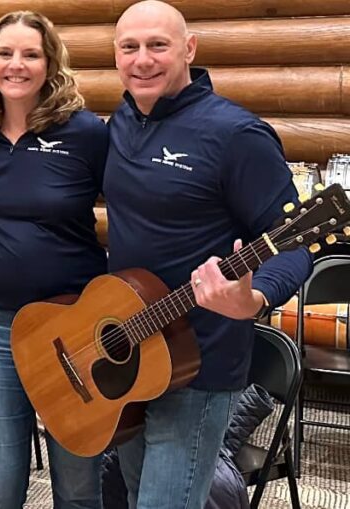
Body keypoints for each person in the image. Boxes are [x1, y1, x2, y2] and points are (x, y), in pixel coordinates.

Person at [104, 2, 312, 507]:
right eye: (129, 47)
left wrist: (254, 298)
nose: (142, 60)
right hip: (128, 350)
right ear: (115, 55)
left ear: (189, 49)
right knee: (134, 494)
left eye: (158, 45)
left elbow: (298, 242)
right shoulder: (122, 121)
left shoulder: (236, 134)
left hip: (198, 366)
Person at [0, 11, 107, 509]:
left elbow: (137, 210)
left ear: (50, 64)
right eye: (5, 53)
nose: (16, 65)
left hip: (74, 327)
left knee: (79, 485)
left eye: (30, 54)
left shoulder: (86, 133)